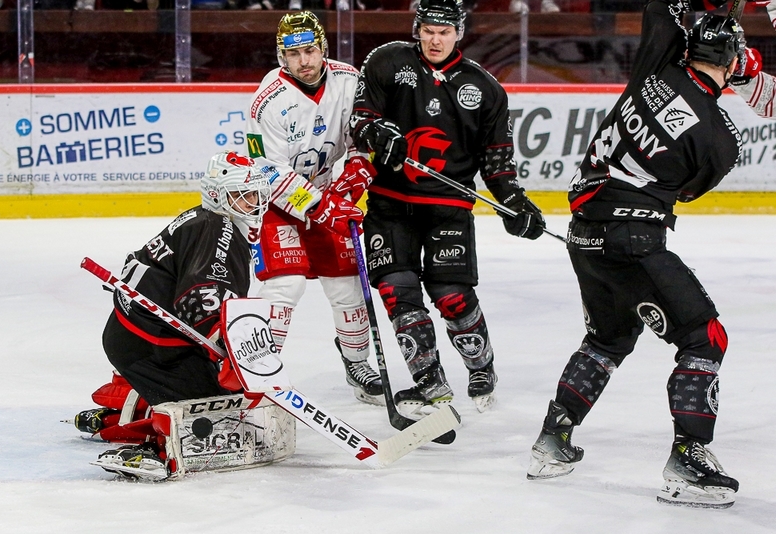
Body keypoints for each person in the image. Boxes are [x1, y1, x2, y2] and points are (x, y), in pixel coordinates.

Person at [525, 0, 751, 509]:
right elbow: (688, 192)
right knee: (704, 336)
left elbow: (660, 7)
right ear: (734, 64)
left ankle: (552, 441)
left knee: (608, 337)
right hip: (635, 241)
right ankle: (689, 459)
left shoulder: (658, 65)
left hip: (585, 236)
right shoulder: (720, 136)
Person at [349, 0, 546, 416]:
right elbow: (360, 119)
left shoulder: (485, 88)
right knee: (396, 291)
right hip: (390, 203)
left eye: (445, 31)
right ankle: (429, 381)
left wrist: (513, 200)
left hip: (448, 207)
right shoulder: (386, 61)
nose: (435, 39)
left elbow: (497, 160)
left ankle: (481, 365)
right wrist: (375, 131)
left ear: (459, 32)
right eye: (428, 30)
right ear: (417, 29)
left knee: (452, 296)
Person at [74, 150, 273, 475]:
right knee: (219, 411)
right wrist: (230, 349)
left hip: (135, 337)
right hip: (154, 347)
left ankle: (115, 415)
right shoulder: (219, 229)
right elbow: (199, 302)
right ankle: (157, 448)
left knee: (222, 396)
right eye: (242, 195)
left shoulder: (203, 219)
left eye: (255, 194)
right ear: (218, 195)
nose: (252, 203)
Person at [245, 11, 385, 405]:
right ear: (281, 57)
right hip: (276, 204)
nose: (304, 61)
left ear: (323, 49)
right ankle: (258, 371)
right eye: (294, 54)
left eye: (310, 50)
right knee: (283, 288)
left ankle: (357, 364)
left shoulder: (349, 79)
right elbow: (266, 172)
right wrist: (322, 206)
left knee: (347, 288)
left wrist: (357, 168)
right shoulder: (266, 102)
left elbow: (362, 135)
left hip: (325, 195)